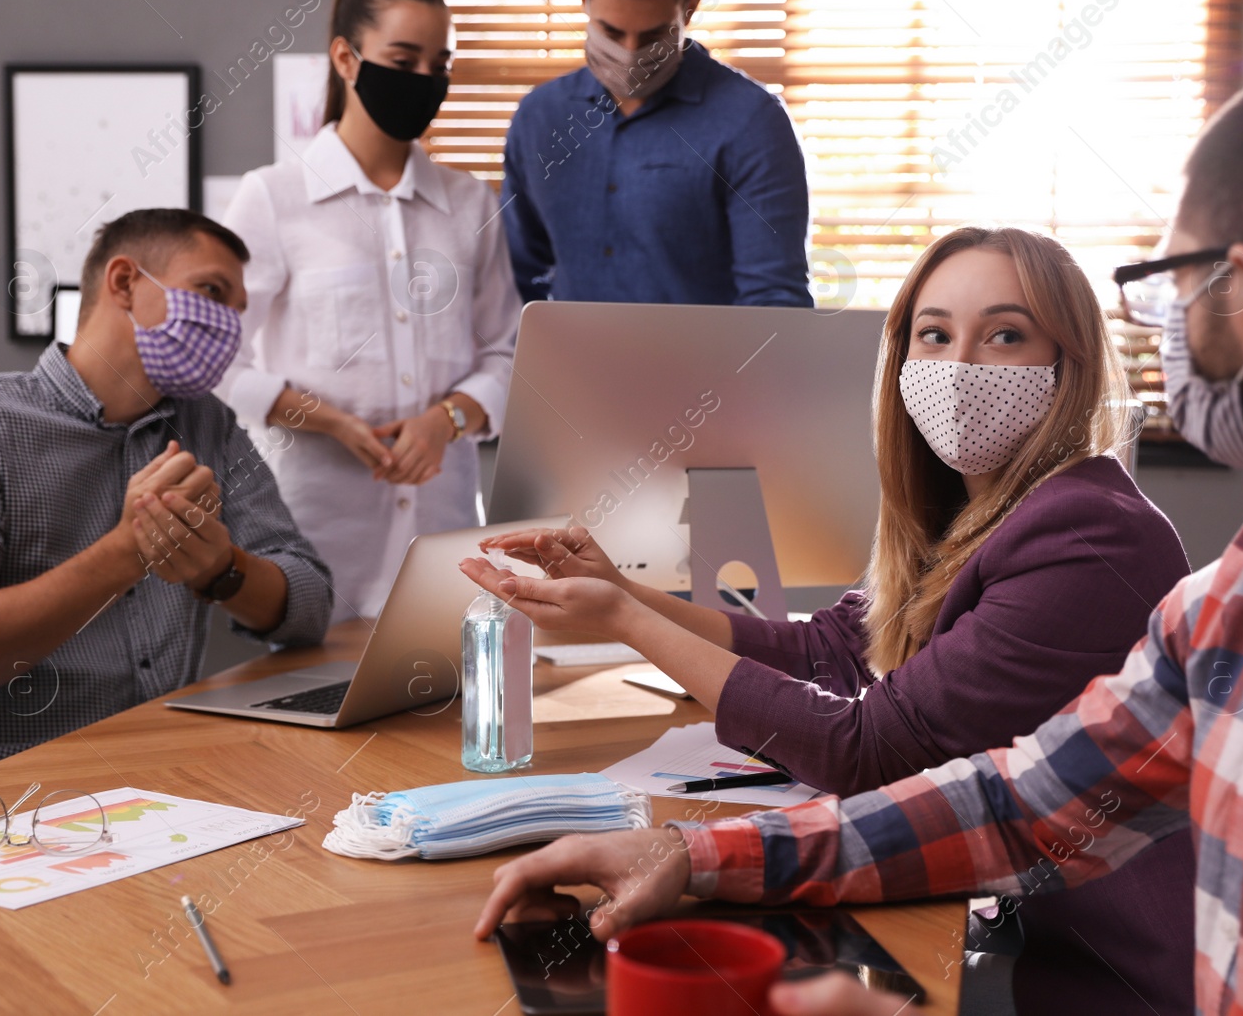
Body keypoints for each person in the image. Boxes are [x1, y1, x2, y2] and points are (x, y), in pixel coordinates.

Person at [473, 49, 1243, 1016]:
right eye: (933, 334)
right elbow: (1020, 805)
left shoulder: (1133, 545)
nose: (1163, 328)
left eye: (1171, 284)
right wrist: (695, 852)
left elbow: (879, 747)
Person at [463, 226, 1194, 1014]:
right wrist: (626, 593)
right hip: (1013, 921)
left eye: (1005, 335)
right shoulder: (969, 505)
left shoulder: (1086, 532)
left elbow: (869, 749)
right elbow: (828, 652)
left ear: (1068, 364)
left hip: (1111, 973)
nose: (959, 368)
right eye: (935, 334)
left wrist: (625, 623)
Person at [0, 209, 333, 790]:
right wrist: (125, 552)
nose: (226, 328)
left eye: (238, 312)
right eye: (210, 293)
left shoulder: (208, 424)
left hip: (159, 779)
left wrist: (222, 570)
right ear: (123, 282)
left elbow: (310, 605)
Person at [219, 0, 519, 622]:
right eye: (403, 59)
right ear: (347, 58)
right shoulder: (272, 198)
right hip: (312, 547)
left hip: (444, 548)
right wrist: (327, 420)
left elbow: (507, 352)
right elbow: (217, 358)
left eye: (439, 62)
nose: (424, 79)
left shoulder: (470, 204)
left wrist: (446, 422)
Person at [500, 0, 812, 308]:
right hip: (562, 363)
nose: (630, 53)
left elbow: (775, 303)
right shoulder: (539, 116)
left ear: (690, 10)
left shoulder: (753, 122)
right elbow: (514, 280)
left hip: (708, 364)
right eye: (611, 32)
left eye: (653, 36)